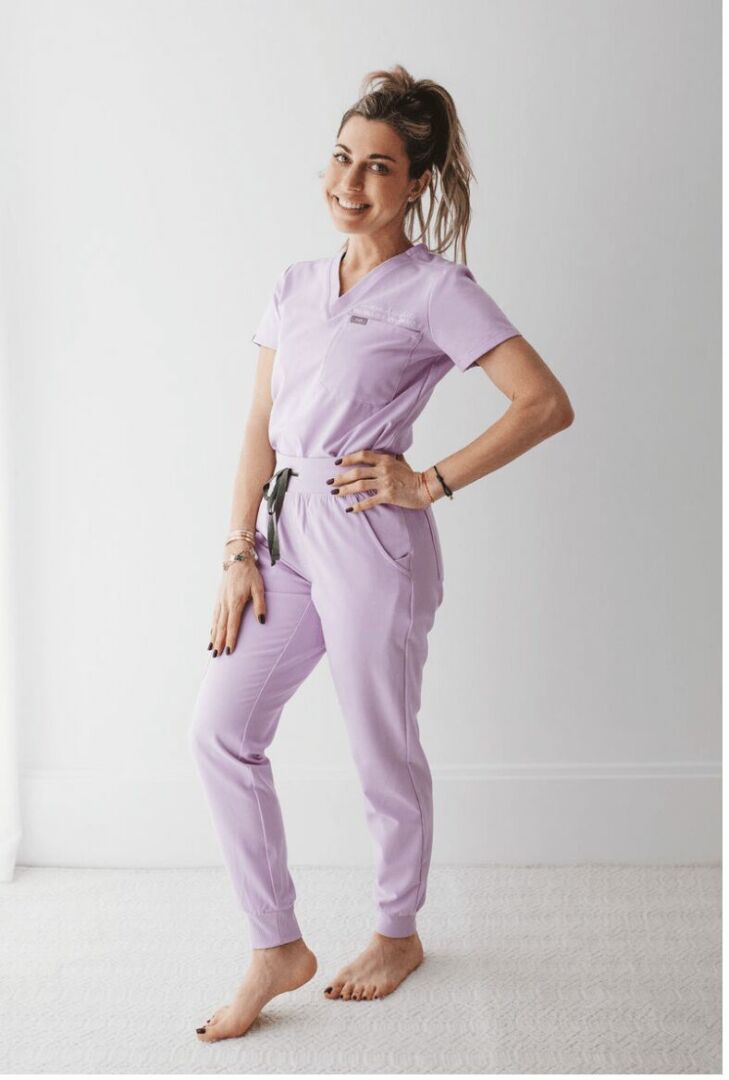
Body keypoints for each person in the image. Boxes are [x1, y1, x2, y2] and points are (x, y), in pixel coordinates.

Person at [189, 64, 574, 1044]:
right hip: (284, 534)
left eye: (379, 167)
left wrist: (427, 481)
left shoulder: (437, 290)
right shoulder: (294, 286)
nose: (350, 183)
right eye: (341, 158)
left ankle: (396, 932)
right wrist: (237, 550)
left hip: (371, 537)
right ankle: (275, 944)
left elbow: (543, 403)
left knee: (379, 747)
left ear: (418, 183)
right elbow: (257, 430)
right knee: (221, 730)